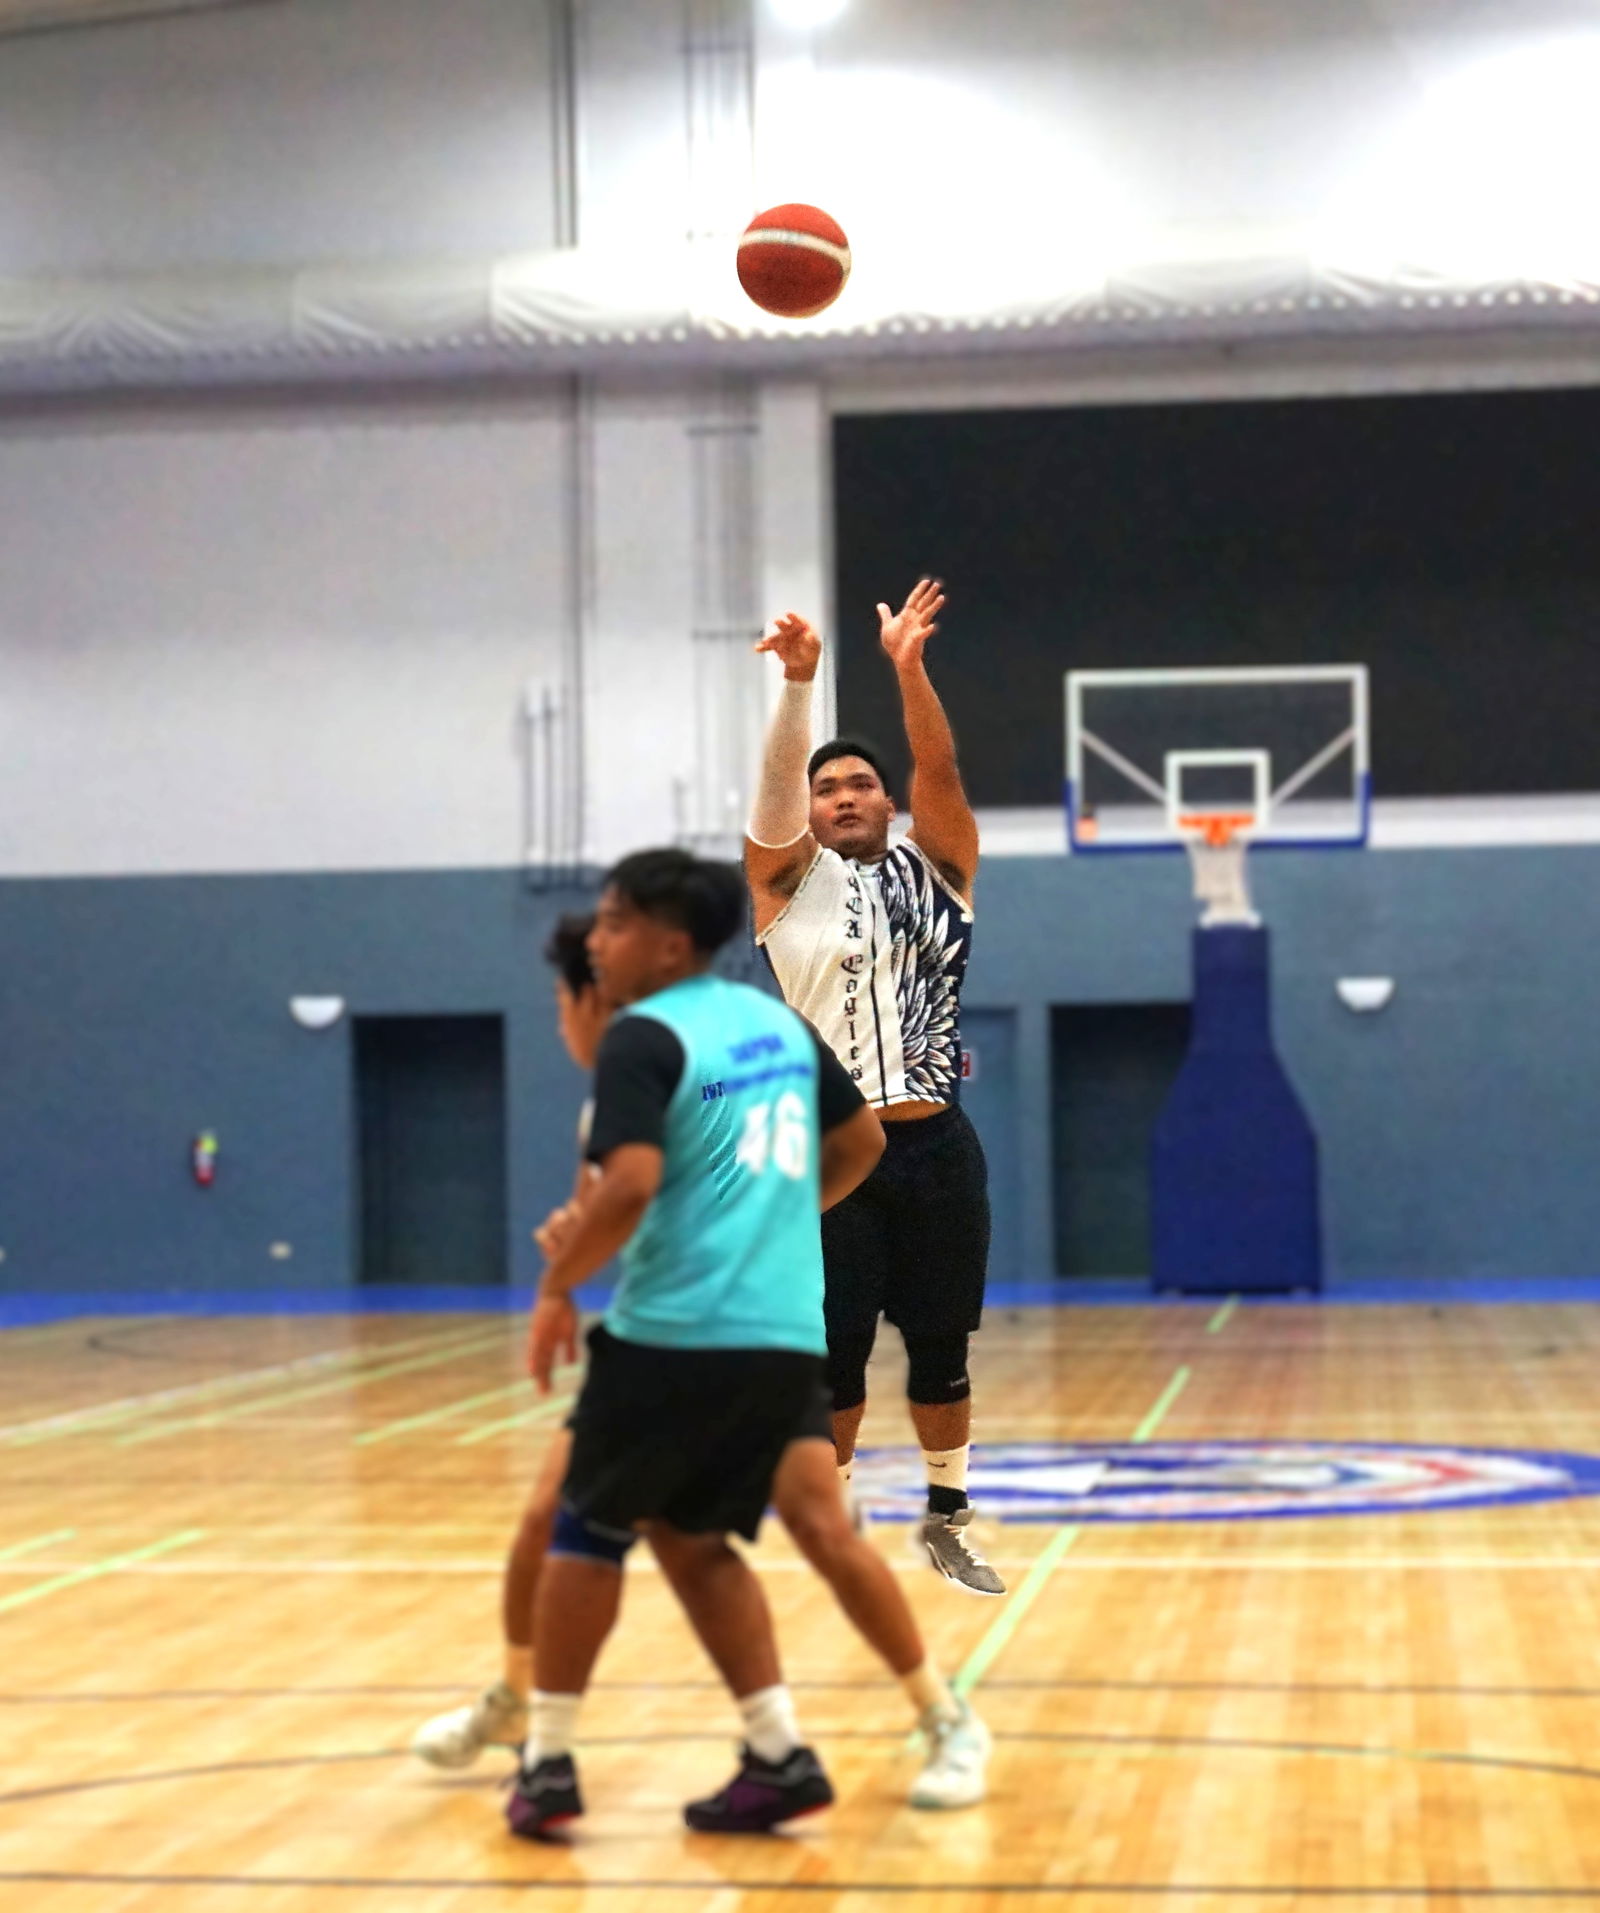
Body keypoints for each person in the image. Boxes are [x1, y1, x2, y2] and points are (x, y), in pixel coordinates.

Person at [413, 908, 990, 1815]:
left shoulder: (682, 1045)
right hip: (740, 1325)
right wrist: (585, 1230)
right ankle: (533, 1708)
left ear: (592, 998)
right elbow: (619, 1201)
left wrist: (568, 1274)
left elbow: (665, 1188)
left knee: (628, 1528)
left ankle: (940, 1720)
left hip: (723, 1328)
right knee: (599, 1525)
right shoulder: (638, 1081)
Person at [744, 580, 1005, 1597]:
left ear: (885, 801)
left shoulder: (939, 864)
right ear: (809, 812)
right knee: (835, 1356)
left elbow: (939, 764)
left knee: (942, 1347)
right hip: (832, 1153)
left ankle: (948, 1513)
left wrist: (908, 668)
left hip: (939, 1143)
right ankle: (833, 1514)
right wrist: (799, 687)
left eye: (860, 782)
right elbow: (770, 806)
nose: (844, 793)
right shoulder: (781, 889)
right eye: (827, 787)